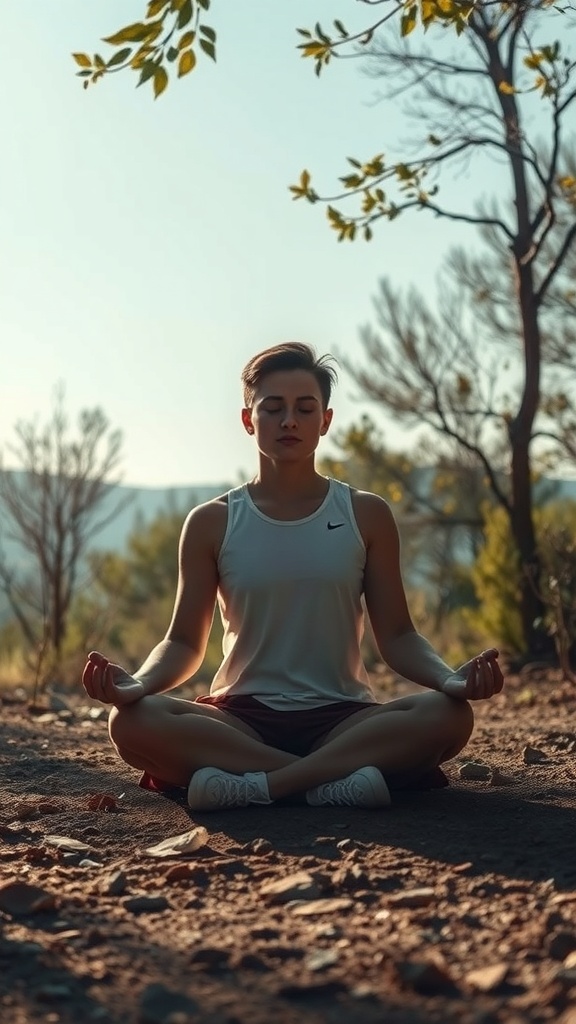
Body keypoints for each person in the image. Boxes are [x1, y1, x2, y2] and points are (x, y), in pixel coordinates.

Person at [82, 342, 504, 811]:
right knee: (130, 722)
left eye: (305, 409)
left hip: (343, 718)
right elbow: (182, 643)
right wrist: (138, 684)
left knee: (448, 715)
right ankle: (332, 782)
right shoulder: (212, 521)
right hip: (241, 720)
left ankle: (259, 786)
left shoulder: (366, 514)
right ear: (248, 420)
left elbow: (399, 636)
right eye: (273, 408)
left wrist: (449, 679)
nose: (289, 421)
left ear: (325, 420)